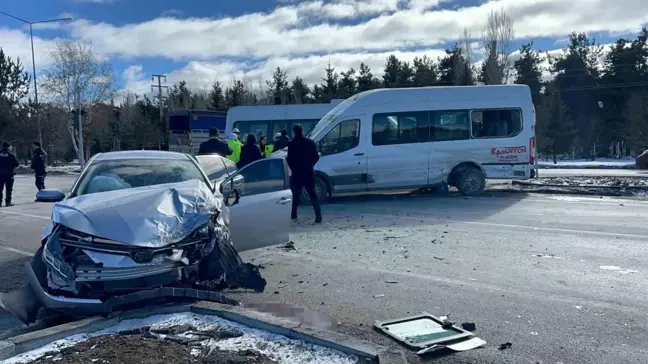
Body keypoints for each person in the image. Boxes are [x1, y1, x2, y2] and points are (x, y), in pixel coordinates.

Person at [286, 124, 322, 223]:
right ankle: (318, 216)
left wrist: (294, 168)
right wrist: (310, 165)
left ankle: (293, 215)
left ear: (294, 132)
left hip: (297, 173)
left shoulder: (291, 144)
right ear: (302, 130)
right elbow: (316, 156)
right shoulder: (310, 143)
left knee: (295, 195)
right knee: (312, 193)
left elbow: (289, 159)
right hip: (308, 171)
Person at [0, 142, 20, 207]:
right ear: (9, 147)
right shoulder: (11, 154)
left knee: (0, 188)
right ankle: (8, 202)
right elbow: (17, 163)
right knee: (9, 188)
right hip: (9, 174)